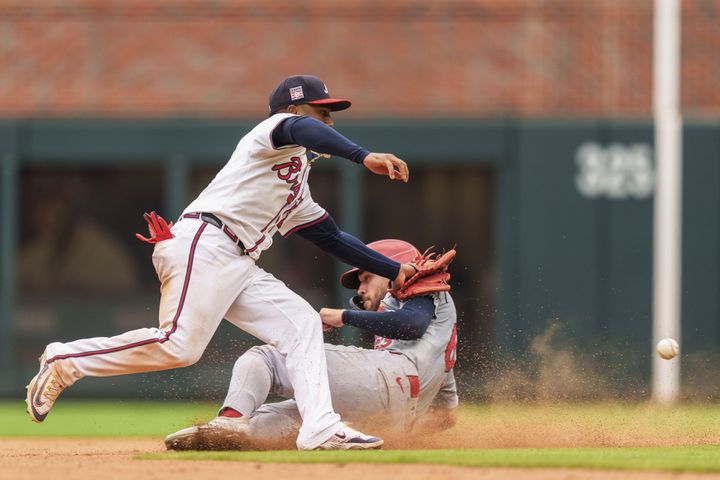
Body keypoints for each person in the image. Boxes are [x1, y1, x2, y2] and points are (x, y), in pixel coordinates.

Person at [25, 75, 424, 451]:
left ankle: (320, 427)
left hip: (236, 259)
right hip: (206, 241)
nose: (330, 119)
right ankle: (65, 360)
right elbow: (298, 129)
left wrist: (396, 271)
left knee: (301, 324)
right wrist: (363, 155)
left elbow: (332, 237)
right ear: (296, 111)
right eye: (323, 111)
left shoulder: (295, 183)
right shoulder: (270, 135)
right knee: (179, 346)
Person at [163, 239, 459, 451]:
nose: (360, 287)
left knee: (267, 357)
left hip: (387, 379)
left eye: (367, 277)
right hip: (388, 415)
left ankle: (229, 419)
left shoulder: (423, 289)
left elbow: (411, 325)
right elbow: (445, 414)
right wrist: (406, 432)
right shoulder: (437, 331)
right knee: (280, 420)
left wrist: (345, 316)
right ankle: (224, 436)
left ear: (394, 268)